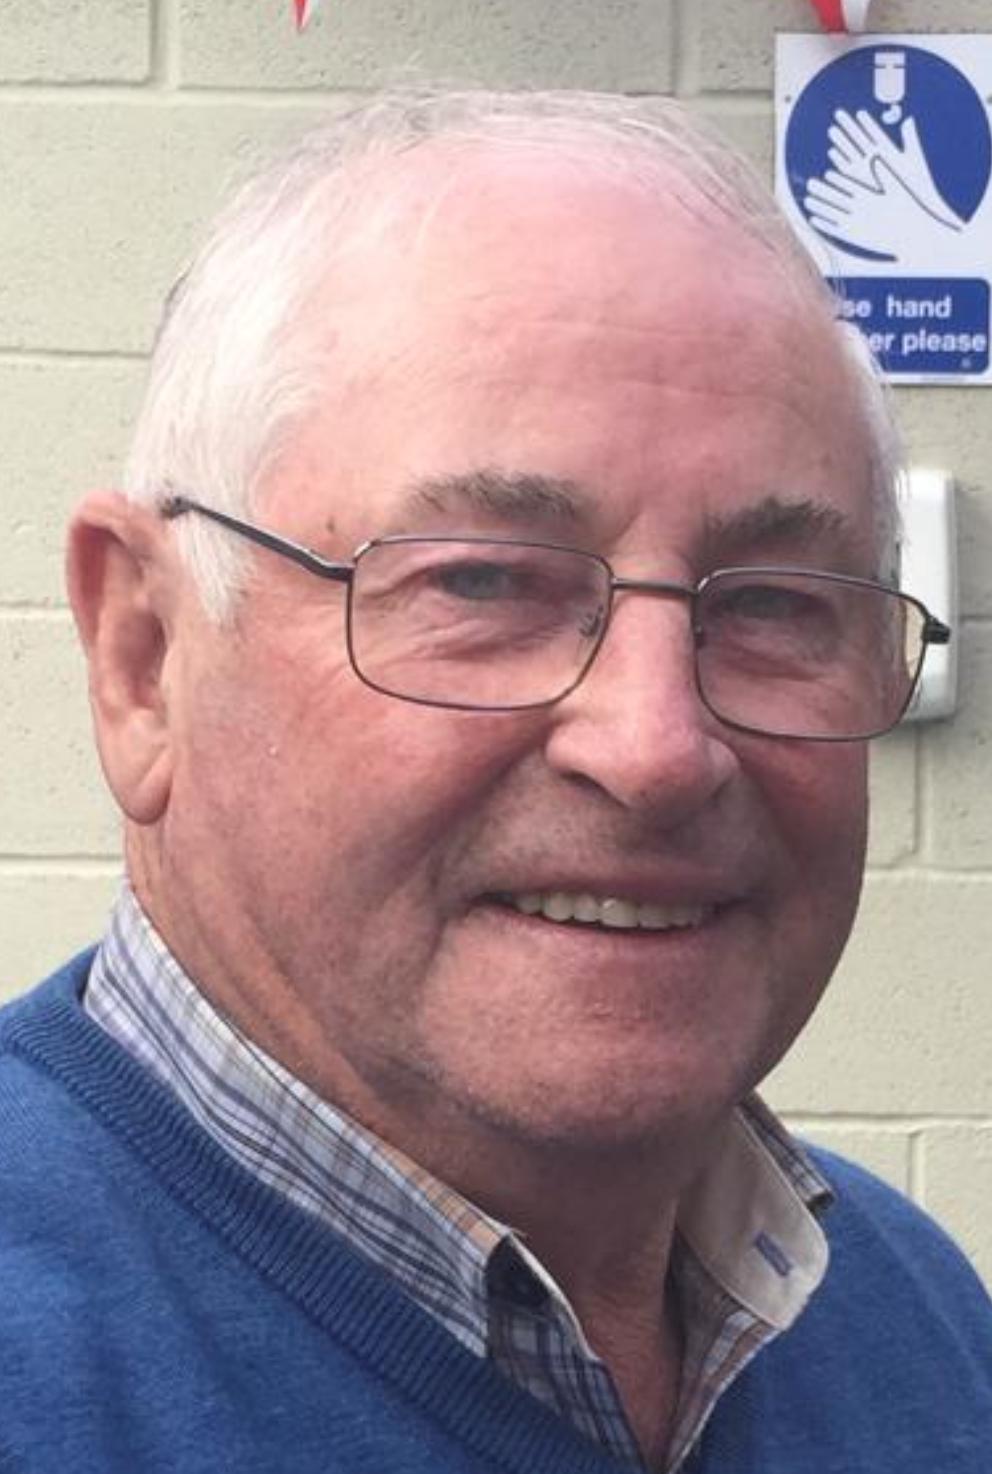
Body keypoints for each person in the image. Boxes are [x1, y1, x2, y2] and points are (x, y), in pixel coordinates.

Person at [1, 90, 989, 1473]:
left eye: (772, 603)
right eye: (480, 582)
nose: (654, 747)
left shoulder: (915, 1321)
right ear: (144, 657)